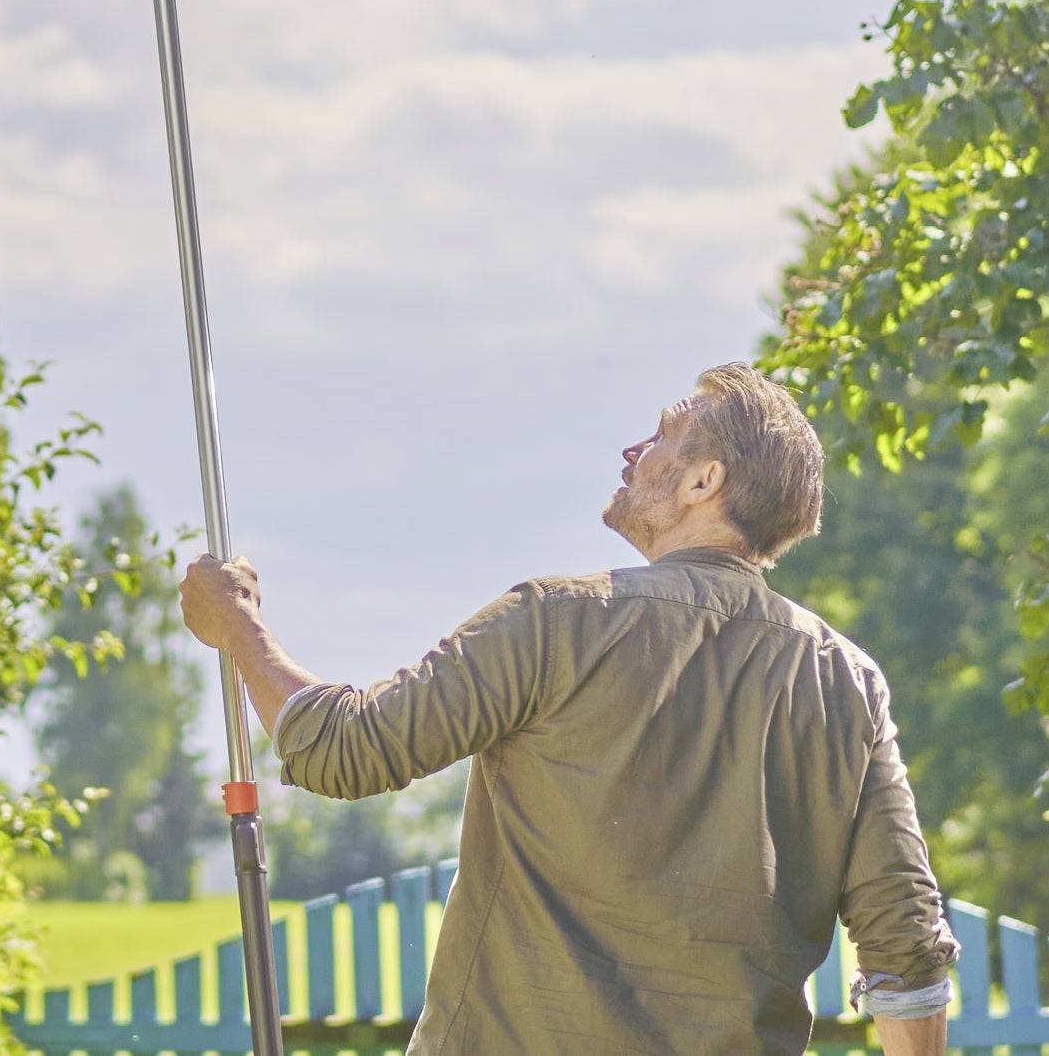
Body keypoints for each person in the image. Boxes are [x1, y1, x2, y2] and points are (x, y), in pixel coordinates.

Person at [180, 361, 957, 1056]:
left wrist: (238, 626)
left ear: (701, 483)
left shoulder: (556, 621)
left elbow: (345, 750)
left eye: (660, 436)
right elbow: (906, 942)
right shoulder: (844, 681)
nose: (632, 453)